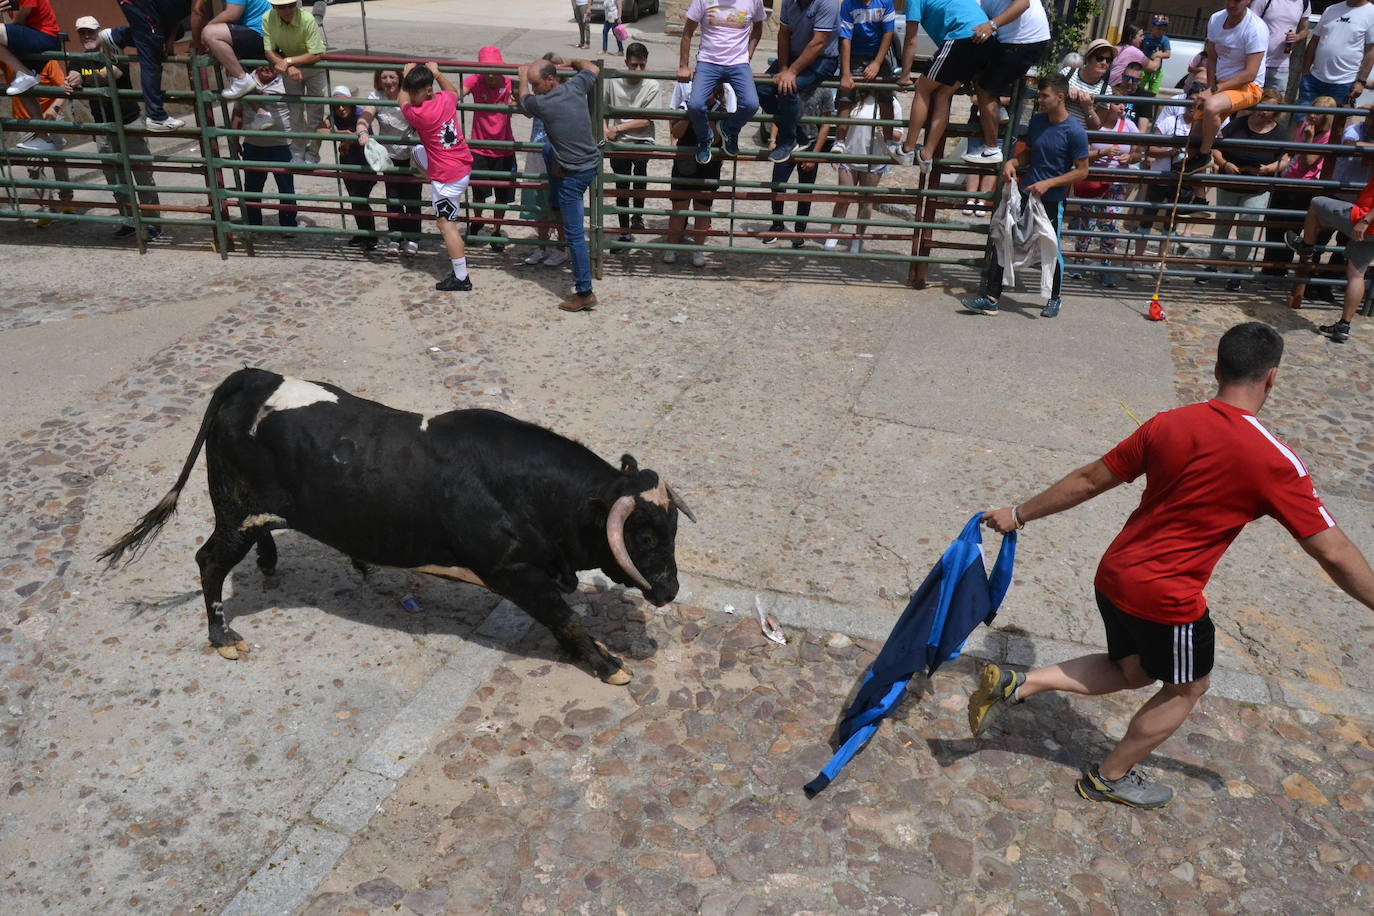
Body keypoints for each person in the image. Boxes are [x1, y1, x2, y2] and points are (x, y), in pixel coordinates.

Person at [970, 320, 1374, 809]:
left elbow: (1090, 479)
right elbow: (1330, 550)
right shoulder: (1275, 460)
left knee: (1135, 670)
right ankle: (1108, 778)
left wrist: (1019, 514)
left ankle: (1022, 683)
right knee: (1188, 687)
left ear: (1217, 367)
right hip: (1167, 598)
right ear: (1271, 378)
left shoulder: (1169, 422)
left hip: (1115, 575)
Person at [962, 74, 1088, 318]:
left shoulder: (1075, 132)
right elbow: (1029, 153)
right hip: (1027, 193)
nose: (1040, 100)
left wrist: (1050, 183)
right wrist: (1013, 162)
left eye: (1044, 96)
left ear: (1060, 97)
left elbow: (1082, 171)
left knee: (1051, 247)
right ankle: (991, 298)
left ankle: (1054, 298)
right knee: (1005, 238)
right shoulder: (1039, 122)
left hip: (1052, 200)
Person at [66, 15, 162, 241]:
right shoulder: (78, 60)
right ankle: (128, 220)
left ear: (99, 31)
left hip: (129, 122)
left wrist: (83, 78)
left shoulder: (115, 51)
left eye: (90, 31)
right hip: (103, 127)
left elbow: (110, 74)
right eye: (82, 33)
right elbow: (73, 75)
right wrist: (70, 79)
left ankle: (153, 224)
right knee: (116, 179)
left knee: (143, 176)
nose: (87, 36)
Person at [520, 56, 602, 311]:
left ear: (550, 79)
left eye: (536, 83)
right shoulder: (575, 86)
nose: (534, 89)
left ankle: (584, 291)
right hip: (590, 164)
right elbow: (593, 68)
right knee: (548, 149)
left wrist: (522, 76)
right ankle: (556, 204)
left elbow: (523, 102)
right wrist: (575, 60)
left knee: (576, 235)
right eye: (532, 84)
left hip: (573, 175)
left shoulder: (541, 104)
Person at [1200, 88, 1287, 292]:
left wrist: (1268, 169)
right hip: (1229, 183)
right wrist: (1224, 164)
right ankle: (1211, 266)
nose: (1263, 112)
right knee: (1222, 226)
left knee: (1246, 230)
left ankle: (1238, 273)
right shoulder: (1238, 124)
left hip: (1257, 188)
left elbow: (1285, 158)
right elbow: (1216, 146)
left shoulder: (1281, 132)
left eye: (1269, 109)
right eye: (1262, 106)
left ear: (1276, 112)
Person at [400, 61, 474, 293]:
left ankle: (462, 278)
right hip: (459, 167)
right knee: (418, 152)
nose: (411, 96)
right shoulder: (446, 100)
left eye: (415, 92)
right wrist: (437, 73)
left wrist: (405, 75)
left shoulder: (418, 114)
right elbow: (453, 92)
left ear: (427, 91)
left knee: (446, 225)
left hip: (446, 176)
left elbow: (400, 101)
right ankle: (460, 273)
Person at [894, 0, 992, 171]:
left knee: (922, 89)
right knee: (942, 94)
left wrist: (904, 76)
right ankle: (927, 155)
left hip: (962, 36)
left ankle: (907, 149)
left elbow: (910, 39)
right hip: (985, 39)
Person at [1286, 161, 1374, 342]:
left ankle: (1307, 246)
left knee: (1316, 203)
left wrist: (1366, 220)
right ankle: (1344, 325)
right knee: (1357, 275)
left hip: (1361, 218)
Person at [677, 0, 767, 165]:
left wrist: (749, 55)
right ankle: (705, 139)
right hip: (708, 62)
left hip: (738, 63)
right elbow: (687, 32)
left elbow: (758, 29)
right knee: (696, 105)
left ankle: (729, 129)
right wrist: (683, 66)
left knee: (751, 104)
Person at [962, 0, 1051, 165]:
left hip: (1024, 41)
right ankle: (998, 109)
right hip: (1015, 41)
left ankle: (991, 149)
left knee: (984, 89)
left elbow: (1023, 3)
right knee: (977, 63)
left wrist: (992, 25)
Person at [1068, 95, 1139, 288]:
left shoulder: (1130, 126)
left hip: (1116, 184)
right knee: (1086, 222)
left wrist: (1130, 158)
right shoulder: (1094, 124)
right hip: (1093, 181)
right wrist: (1102, 153)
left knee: (1110, 225)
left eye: (1124, 103)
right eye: (1117, 103)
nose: (1122, 107)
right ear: (1108, 105)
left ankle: (1105, 267)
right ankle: (1078, 262)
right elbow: (1081, 152)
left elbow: (1138, 153)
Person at [757, 0, 840, 164]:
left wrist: (792, 72)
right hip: (795, 54)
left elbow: (819, 41)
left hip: (823, 58)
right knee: (762, 89)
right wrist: (783, 68)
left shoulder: (828, 2)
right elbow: (783, 33)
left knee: (788, 88)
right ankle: (797, 134)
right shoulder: (789, 1)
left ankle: (788, 140)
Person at [664, 78, 734, 268]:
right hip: (684, 163)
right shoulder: (684, 106)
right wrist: (690, 113)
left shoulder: (720, 110)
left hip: (709, 165)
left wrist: (705, 115)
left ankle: (698, 250)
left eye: (709, 91)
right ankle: (672, 246)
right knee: (679, 207)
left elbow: (717, 139)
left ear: (716, 91)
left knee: (702, 209)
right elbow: (676, 133)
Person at [1189, 0, 1266, 171]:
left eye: (1237, 0)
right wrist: (1210, 87)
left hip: (1250, 85)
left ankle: (1205, 156)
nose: (1231, 4)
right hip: (1222, 85)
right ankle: (1198, 184)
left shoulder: (1256, 28)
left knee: (1211, 106)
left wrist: (1213, 91)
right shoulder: (1216, 19)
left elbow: (1250, 73)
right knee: (1193, 138)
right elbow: (1212, 57)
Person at [100, 0, 193, 131]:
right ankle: (156, 116)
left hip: (152, 8)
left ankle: (116, 36)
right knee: (151, 50)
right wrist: (198, 43)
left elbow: (176, 16)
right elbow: (197, 12)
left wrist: (170, 41)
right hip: (141, 4)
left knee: (174, 34)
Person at [761, 84, 835, 246]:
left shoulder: (825, 90)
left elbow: (826, 124)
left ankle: (800, 229)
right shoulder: (792, 84)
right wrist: (773, 139)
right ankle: (777, 224)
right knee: (777, 184)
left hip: (810, 143)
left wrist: (814, 155)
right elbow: (779, 113)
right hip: (786, 140)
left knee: (805, 189)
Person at [359, 68, 423, 255]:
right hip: (390, 157)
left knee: (413, 199)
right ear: (379, 79)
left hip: (412, 155)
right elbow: (367, 115)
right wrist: (362, 130)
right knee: (393, 199)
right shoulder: (376, 96)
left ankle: (412, 238)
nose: (388, 81)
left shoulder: (409, 94)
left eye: (392, 77)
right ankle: (395, 237)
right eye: (384, 77)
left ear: (400, 79)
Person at [825, 85, 894, 254]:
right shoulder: (852, 99)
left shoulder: (890, 103)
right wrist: (837, 147)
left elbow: (897, 133)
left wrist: (883, 130)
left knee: (866, 202)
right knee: (844, 198)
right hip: (849, 155)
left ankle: (858, 238)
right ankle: (833, 234)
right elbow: (841, 126)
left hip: (874, 159)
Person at [3, 55, 70, 226]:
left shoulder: (48, 59)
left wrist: (55, 109)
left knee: (58, 161)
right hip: (23, 121)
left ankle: (67, 201)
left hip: (50, 116)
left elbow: (63, 85)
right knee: (33, 167)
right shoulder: (7, 57)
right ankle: (48, 207)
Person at [464, 46, 518, 249]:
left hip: (505, 147)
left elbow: (524, 102)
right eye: (486, 69)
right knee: (478, 191)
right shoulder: (476, 80)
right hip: (479, 147)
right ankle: (478, 221)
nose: (490, 74)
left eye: (494, 68)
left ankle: (496, 230)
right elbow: (458, 93)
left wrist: (517, 101)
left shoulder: (510, 82)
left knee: (502, 195)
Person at [232, 63, 297, 231]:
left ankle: (288, 225)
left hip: (282, 145)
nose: (267, 67)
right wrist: (234, 140)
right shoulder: (246, 81)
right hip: (253, 145)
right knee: (252, 189)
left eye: (271, 64)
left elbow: (297, 114)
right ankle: (254, 225)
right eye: (262, 64)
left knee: (286, 188)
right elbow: (238, 113)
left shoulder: (287, 83)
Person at [604, 42, 658, 242]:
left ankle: (638, 216)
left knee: (640, 170)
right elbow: (602, 108)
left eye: (642, 65)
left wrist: (616, 129)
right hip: (618, 139)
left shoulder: (652, 84)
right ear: (626, 62)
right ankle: (624, 230)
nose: (638, 70)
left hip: (642, 139)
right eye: (634, 65)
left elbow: (647, 119)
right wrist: (605, 131)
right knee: (622, 183)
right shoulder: (613, 81)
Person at [261, 0, 327, 164]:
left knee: (315, 113)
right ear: (274, 7)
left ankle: (312, 154)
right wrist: (288, 66)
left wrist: (288, 61)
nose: (288, 9)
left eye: (291, 5)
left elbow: (316, 54)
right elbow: (269, 51)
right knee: (295, 111)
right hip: (290, 68)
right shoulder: (267, 18)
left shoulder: (307, 19)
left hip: (313, 68)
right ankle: (297, 153)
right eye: (282, 6)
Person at [1295, 0, 1374, 134]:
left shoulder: (1371, 13)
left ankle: (1321, 155)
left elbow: (1371, 51)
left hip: (1344, 83)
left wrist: (1361, 81)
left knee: (1331, 128)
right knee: (1301, 120)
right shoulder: (1331, 9)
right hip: (1313, 79)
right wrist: (1305, 71)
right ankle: (1293, 153)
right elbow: (1314, 41)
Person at [831, 0, 897, 158]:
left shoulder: (885, 2)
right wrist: (846, 73)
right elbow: (845, 39)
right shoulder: (848, 5)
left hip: (878, 55)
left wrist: (877, 62)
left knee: (886, 98)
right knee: (846, 97)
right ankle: (839, 140)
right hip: (854, 55)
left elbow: (888, 33)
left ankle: (889, 142)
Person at [321, 85, 377, 250]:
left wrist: (347, 138)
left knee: (361, 200)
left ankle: (371, 237)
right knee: (355, 200)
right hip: (348, 164)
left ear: (351, 103)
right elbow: (319, 129)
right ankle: (362, 233)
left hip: (365, 163)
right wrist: (340, 133)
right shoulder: (334, 115)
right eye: (337, 105)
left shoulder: (360, 113)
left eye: (344, 104)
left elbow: (362, 134)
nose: (340, 108)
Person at [190, 0, 269, 101]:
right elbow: (198, 9)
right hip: (252, 32)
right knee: (231, 68)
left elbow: (231, 14)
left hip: (260, 34)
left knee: (210, 33)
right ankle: (263, 113)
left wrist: (205, 32)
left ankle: (242, 79)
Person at [0, 0, 59, 96]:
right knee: (22, 90)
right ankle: (25, 73)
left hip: (45, 37)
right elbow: (11, 27)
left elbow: (19, 21)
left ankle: (27, 73)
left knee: (23, 82)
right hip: (29, 37)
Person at [1059, 37, 1114, 130]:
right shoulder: (1067, 73)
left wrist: (1088, 109)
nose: (1104, 63)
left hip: (1078, 139)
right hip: (1056, 130)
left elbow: (1096, 127)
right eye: (1099, 58)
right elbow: (1048, 94)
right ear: (1088, 59)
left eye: (1108, 60)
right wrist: (1065, 90)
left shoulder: (1106, 90)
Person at [1255, 0, 1310, 91]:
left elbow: (1305, 29)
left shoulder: (1304, 2)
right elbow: (1249, 21)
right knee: (1250, 101)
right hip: (1257, 62)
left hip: (1281, 65)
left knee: (1276, 101)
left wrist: (1297, 37)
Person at [1139, 15, 1171, 97]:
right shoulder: (1145, 38)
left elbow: (1168, 54)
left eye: (1164, 30)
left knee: (1153, 93)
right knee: (1138, 88)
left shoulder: (1164, 40)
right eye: (1159, 29)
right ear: (1152, 27)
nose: (1161, 32)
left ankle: (1150, 106)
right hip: (1144, 68)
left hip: (1157, 71)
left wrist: (1158, 54)